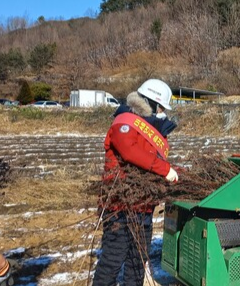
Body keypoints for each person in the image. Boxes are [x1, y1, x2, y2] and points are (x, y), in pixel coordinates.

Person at [93, 79, 178, 286]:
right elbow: (130, 151)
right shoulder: (124, 121)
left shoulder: (151, 129)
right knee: (112, 261)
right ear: (150, 102)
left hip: (143, 207)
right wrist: (165, 170)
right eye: (159, 108)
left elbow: (153, 161)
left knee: (137, 262)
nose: (161, 113)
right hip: (120, 206)